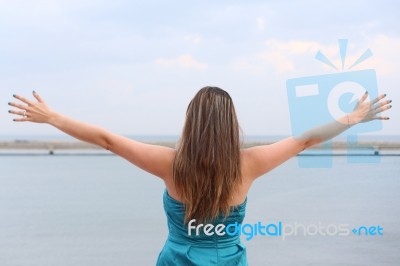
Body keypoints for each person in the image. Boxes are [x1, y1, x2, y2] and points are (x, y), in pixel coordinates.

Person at [8, 87, 391, 265]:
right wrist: (352, 118)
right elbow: (305, 141)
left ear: (191, 123)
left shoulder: (170, 164)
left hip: (176, 260)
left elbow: (108, 140)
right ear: (231, 126)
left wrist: (52, 117)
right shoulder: (249, 163)